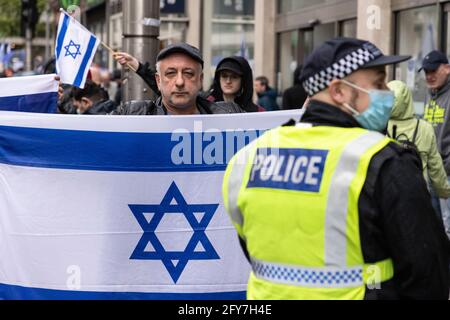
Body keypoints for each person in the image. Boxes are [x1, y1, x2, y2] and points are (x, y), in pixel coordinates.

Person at [223, 38, 450, 300]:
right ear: (339, 91)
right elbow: (428, 275)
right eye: (377, 83)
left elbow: (251, 248)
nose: (387, 92)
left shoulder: (247, 159)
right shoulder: (384, 162)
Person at [112, 43, 244, 115]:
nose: (180, 82)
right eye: (171, 73)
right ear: (158, 80)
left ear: (200, 79)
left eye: (188, 73)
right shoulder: (132, 114)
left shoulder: (229, 114)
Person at [387, 80, 450, 213]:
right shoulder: (424, 128)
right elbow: (435, 166)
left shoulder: (378, 127)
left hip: (388, 198)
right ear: (407, 99)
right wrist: (444, 191)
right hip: (418, 196)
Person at [421, 50, 450, 239]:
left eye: (433, 71)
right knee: (435, 228)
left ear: (447, 69)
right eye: (426, 72)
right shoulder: (429, 96)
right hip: (431, 173)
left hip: (447, 174)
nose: (429, 76)